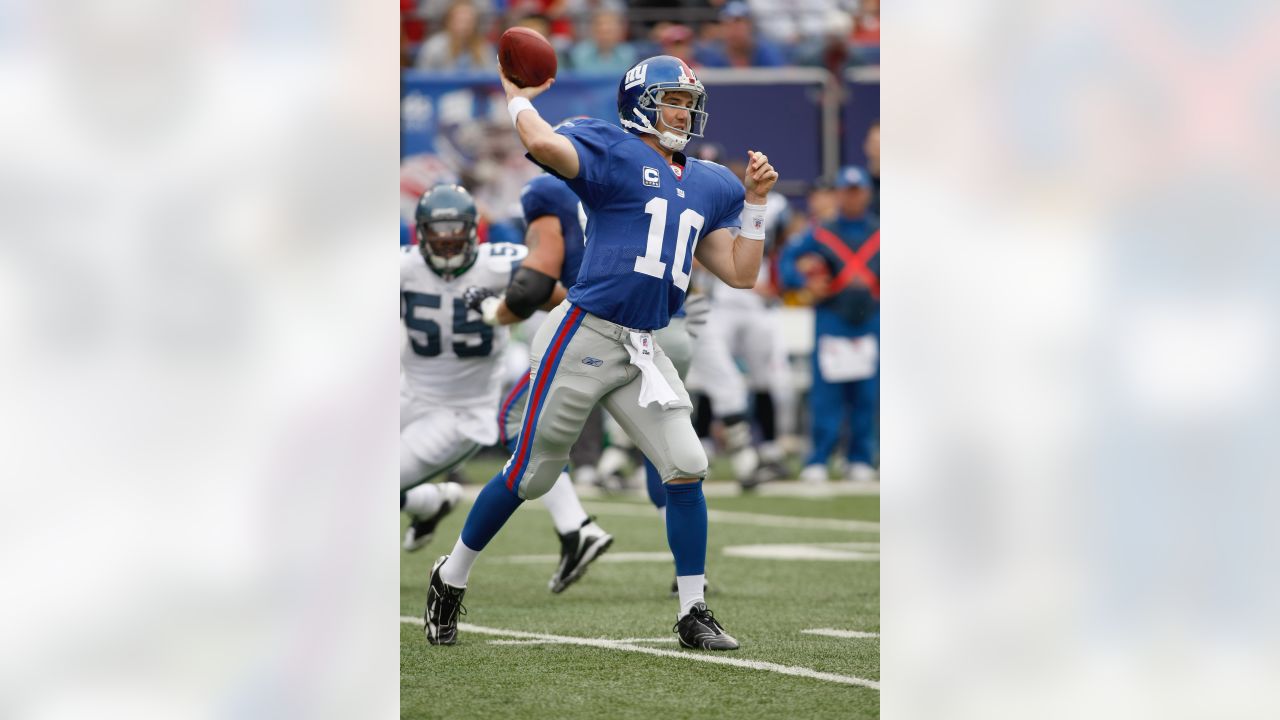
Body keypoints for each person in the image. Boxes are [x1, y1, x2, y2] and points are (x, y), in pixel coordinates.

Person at [423, 55, 778, 650]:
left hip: (644, 345)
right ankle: (451, 574)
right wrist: (518, 95)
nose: (683, 112)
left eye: (689, 103)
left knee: (687, 465)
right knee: (531, 474)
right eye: (673, 100)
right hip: (585, 333)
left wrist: (758, 202)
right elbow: (540, 141)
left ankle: (693, 609)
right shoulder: (611, 148)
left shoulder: (713, 181)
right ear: (640, 101)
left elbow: (741, 273)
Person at [465, 148, 711, 592]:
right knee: (671, 454)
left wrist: (491, 311)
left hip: (599, 331)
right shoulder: (652, 179)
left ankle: (575, 528)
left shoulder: (548, 188)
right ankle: (691, 576)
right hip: (668, 328)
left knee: (518, 424)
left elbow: (539, 287)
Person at [399, 184, 528, 550]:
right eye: (437, 232)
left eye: (455, 230)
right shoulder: (404, 265)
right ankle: (430, 502)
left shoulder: (500, 263)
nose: (446, 240)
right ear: (420, 233)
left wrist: (518, 302)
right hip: (408, 391)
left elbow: (556, 281)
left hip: (462, 413)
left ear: (473, 229)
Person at [778, 166, 879, 484]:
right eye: (846, 191)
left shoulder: (881, 230)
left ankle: (860, 457)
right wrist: (804, 282)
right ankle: (819, 457)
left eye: (858, 190)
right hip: (831, 318)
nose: (852, 197)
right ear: (837, 194)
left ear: (867, 193)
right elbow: (786, 262)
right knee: (826, 395)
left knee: (867, 393)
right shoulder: (820, 232)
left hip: (871, 319)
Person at [414, 0, 497, 72]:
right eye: (460, 20)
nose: (464, 25)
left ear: (475, 23)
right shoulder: (433, 47)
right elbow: (422, 78)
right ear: (448, 21)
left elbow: (491, 79)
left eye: (468, 21)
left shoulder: (484, 48)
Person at [568, 10, 637, 74]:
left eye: (609, 31)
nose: (605, 36)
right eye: (600, 31)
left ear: (619, 32)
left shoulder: (628, 53)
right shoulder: (579, 53)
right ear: (592, 31)